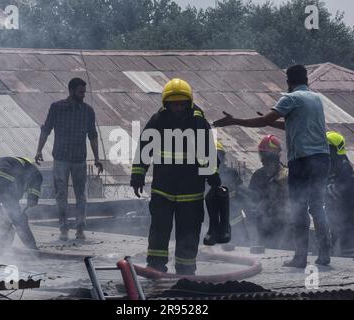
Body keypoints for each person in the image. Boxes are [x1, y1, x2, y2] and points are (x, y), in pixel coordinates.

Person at [214, 65, 331, 268]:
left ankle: (300, 257)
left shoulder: (290, 98)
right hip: (321, 158)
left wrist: (234, 121)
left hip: (302, 160)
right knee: (317, 207)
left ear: (288, 81)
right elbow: (291, 125)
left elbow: (264, 120)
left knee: (299, 209)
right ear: (307, 80)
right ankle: (324, 254)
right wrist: (271, 123)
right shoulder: (316, 100)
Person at [131, 78, 221, 275]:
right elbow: (144, 148)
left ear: (188, 103)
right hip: (163, 189)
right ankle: (155, 266)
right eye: (174, 104)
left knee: (188, 232)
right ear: (166, 103)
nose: (178, 108)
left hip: (191, 192)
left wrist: (213, 175)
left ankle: (185, 269)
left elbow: (207, 152)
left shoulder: (198, 121)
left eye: (181, 103)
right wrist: (138, 174)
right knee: (159, 230)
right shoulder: (158, 120)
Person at [35, 78, 104, 241]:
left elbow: (93, 135)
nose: (83, 95)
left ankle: (80, 228)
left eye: (84, 92)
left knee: (81, 195)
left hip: (79, 159)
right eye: (81, 92)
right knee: (61, 195)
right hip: (61, 159)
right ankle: (63, 228)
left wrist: (97, 158)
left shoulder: (88, 111)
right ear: (72, 91)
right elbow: (46, 130)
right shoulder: (57, 108)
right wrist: (38, 150)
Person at [0, 157, 42, 250]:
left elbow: (17, 189)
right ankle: (31, 247)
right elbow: (30, 189)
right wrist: (32, 199)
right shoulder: (34, 172)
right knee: (17, 217)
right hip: (1, 176)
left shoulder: (14, 164)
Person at [247, 135, 291, 249]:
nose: (262, 159)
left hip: (283, 224)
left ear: (273, 156)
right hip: (263, 224)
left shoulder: (286, 175)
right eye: (261, 154)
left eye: (265, 155)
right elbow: (251, 200)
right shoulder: (258, 175)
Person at [325, 131, 354, 258]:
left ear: (335, 149)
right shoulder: (331, 166)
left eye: (327, 148)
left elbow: (339, 190)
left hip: (348, 222)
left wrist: (319, 191)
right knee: (330, 255)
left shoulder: (344, 167)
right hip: (333, 220)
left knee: (349, 259)